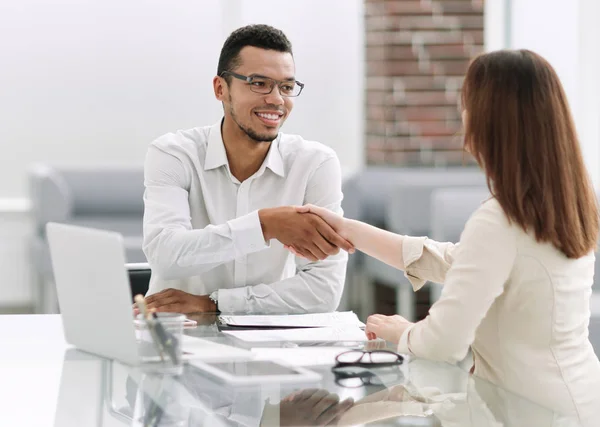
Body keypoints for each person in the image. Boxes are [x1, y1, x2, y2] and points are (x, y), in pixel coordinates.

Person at [290, 50, 600, 426]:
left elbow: (443, 343)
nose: (463, 116)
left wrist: (403, 332)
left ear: (491, 119)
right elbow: (454, 261)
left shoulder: (501, 218)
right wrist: (345, 228)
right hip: (572, 402)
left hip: (530, 412)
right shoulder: (559, 204)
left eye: (467, 104)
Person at [140, 24, 353, 315]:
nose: (277, 99)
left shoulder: (315, 164)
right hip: (179, 339)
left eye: (287, 87)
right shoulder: (173, 154)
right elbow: (166, 254)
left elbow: (323, 291)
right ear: (220, 89)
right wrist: (265, 225)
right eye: (258, 83)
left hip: (271, 344)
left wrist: (214, 304)